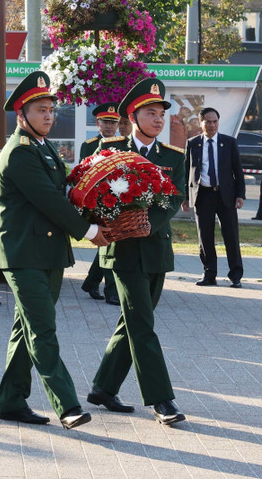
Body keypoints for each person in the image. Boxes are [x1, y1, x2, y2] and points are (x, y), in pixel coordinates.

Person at [0, 71, 109, 430]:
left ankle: (12, 401)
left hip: (47, 254)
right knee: (42, 329)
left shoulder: (43, 147)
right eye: (41, 109)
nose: (48, 115)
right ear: (21, 114)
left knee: (26, 328)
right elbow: (49, 200)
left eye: (51, 109)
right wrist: (89, 230)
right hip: (23, 254)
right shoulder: (19, 152)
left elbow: (66, 190)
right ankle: (68, 405)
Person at [87, 77, 187, 426]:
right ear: (133, 115)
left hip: (156, 250)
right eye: (151, 112)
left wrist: (146, 223)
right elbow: (94, 195)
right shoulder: (111, 151)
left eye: (161, 113)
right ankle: (161, 400)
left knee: (131, 323)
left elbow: (172, 201)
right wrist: (116, 220)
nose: (159, 119)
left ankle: (103, 387)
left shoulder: (173, 157)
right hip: (123, 251)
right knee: (142, 324)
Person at [183, 107, 245, 288]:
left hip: (226, 196)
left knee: (231, 236)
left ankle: (235, 275)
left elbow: (238, 171)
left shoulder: (229, 142)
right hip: (203, 195)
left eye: (215, 121)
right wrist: (185, 197)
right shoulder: (193, 143)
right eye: (208, 121)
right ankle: (209, 274)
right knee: (205, 238)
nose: (211, 124)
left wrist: (240, 194)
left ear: (218, 122)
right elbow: (187, 172)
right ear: (201, 123)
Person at [78, 103, 121, 305]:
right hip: (98, 201)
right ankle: (109, 289)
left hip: (120, 201)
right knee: (108, 241)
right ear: (98, 123)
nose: (110, 126)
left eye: (113, 122)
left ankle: (93, 282)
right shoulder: (89, 145)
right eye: (106, 122)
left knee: (110, 242)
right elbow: (83, 174)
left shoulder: (124, 144)